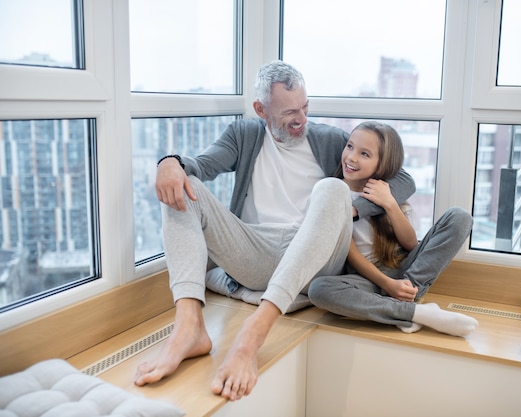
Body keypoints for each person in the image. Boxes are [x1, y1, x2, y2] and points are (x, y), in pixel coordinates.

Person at [134, 61, 416, 401]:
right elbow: (202, 165)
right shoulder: (244, 135)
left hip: (314, 259)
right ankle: (189, 327)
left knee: (332, 189)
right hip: (255, 252)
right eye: (288, 112)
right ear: (261, 109)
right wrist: (168, 163)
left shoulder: (331, 140)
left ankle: (253, 334)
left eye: (305, 107)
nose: (300, 119)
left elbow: (403, 179)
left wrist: (354, 208)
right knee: (181, 184)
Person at [308, 121, 478, 336]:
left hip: (405, 268)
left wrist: (389, 203)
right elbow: (350, 253)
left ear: (382, 164)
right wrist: (388, 285)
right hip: (367, 277)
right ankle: (415, 310)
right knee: (319, 289)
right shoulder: (332, 192)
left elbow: (409, 243)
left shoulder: (386, 190)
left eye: (365, 154)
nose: (351, 157)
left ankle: (407, 292)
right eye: (349, 146)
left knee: (460, 217)